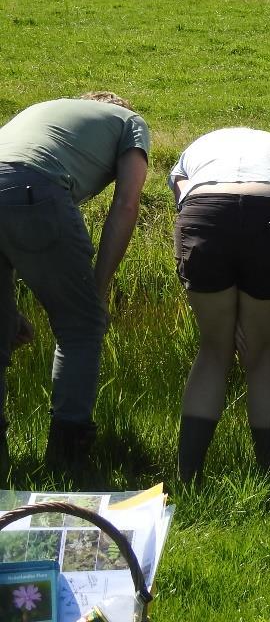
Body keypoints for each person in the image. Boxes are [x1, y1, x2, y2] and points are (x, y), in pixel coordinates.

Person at [0, 92, 150, 474]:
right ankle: (67, 461)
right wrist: (97, 291)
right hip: (35, 187)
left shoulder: (39, 111)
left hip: (14, 180)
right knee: (81, 327)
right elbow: (127, 204)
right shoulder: (129, 121)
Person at [169, 127, 270, 481]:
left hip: (207, 209)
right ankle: (269, 477)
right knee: (260, 352)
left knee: (214, 349)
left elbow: (182, 196)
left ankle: (189, 478)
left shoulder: (195, 147)